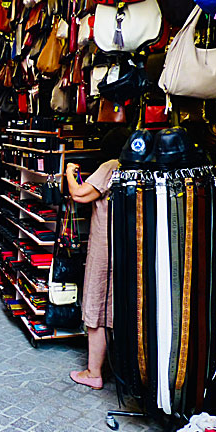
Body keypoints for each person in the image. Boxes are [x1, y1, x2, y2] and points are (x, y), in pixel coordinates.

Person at [63, 127, 129, 390]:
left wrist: (69, 173)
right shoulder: (137, 166)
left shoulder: (111, 165)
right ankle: (117, 364)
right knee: (116, 303)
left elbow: (80, 194)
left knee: (96, 302)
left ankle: (94, 372)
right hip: (126, 244)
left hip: (104, 245)